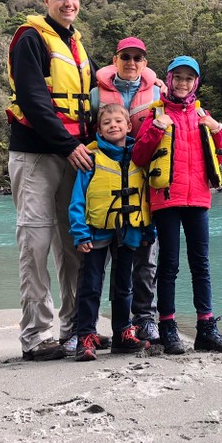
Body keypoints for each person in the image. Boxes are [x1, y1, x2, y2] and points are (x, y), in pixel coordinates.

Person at [6, 0, 97, 361]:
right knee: (36, 243)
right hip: (37, 155)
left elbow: (100, 87)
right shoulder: (31, 38)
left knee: (73, 244)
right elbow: (33, 99)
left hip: (72, 154)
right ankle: (36, 336)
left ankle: (76, 328)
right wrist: (68, 144)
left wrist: (149, 79)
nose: (68, 3)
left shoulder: (75, 43)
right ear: (46, 0)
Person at [131, 55, 222, 355]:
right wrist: (156, 129)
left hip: (198, 199)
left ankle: (206, 329)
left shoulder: (202, 114)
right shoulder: (156, 114)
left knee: (201, 265)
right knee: (169, 266)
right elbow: (139, 156)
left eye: (189, 78)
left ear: (196, 83)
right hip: (167, 200)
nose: (182, 83)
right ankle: (168, 329)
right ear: (170, 78)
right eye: (178, 77)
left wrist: (218, 129)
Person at [68, 102, 156, 360]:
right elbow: (77, 200)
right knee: (90, 285)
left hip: (129, 230)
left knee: (124, 285)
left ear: (129, 126)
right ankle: (86, 335)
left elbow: (146, 196)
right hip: (96, 232)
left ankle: (122, 333)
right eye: (107, 123)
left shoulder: (138, 156)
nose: (113, 126)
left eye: (118, 122)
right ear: (99, 129)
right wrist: (80, 233)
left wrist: (149, 228)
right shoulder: (91, 158)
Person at [91, 37, 161, 345]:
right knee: (97, 265)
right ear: (115, 59)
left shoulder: (160, 92)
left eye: (137, 58)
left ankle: (144, 320)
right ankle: (89, 329)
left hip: (144, 182)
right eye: (125, 57)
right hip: (106, 182)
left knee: (145, 257)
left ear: (145, 62)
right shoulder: (96, 96)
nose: (131, 62)